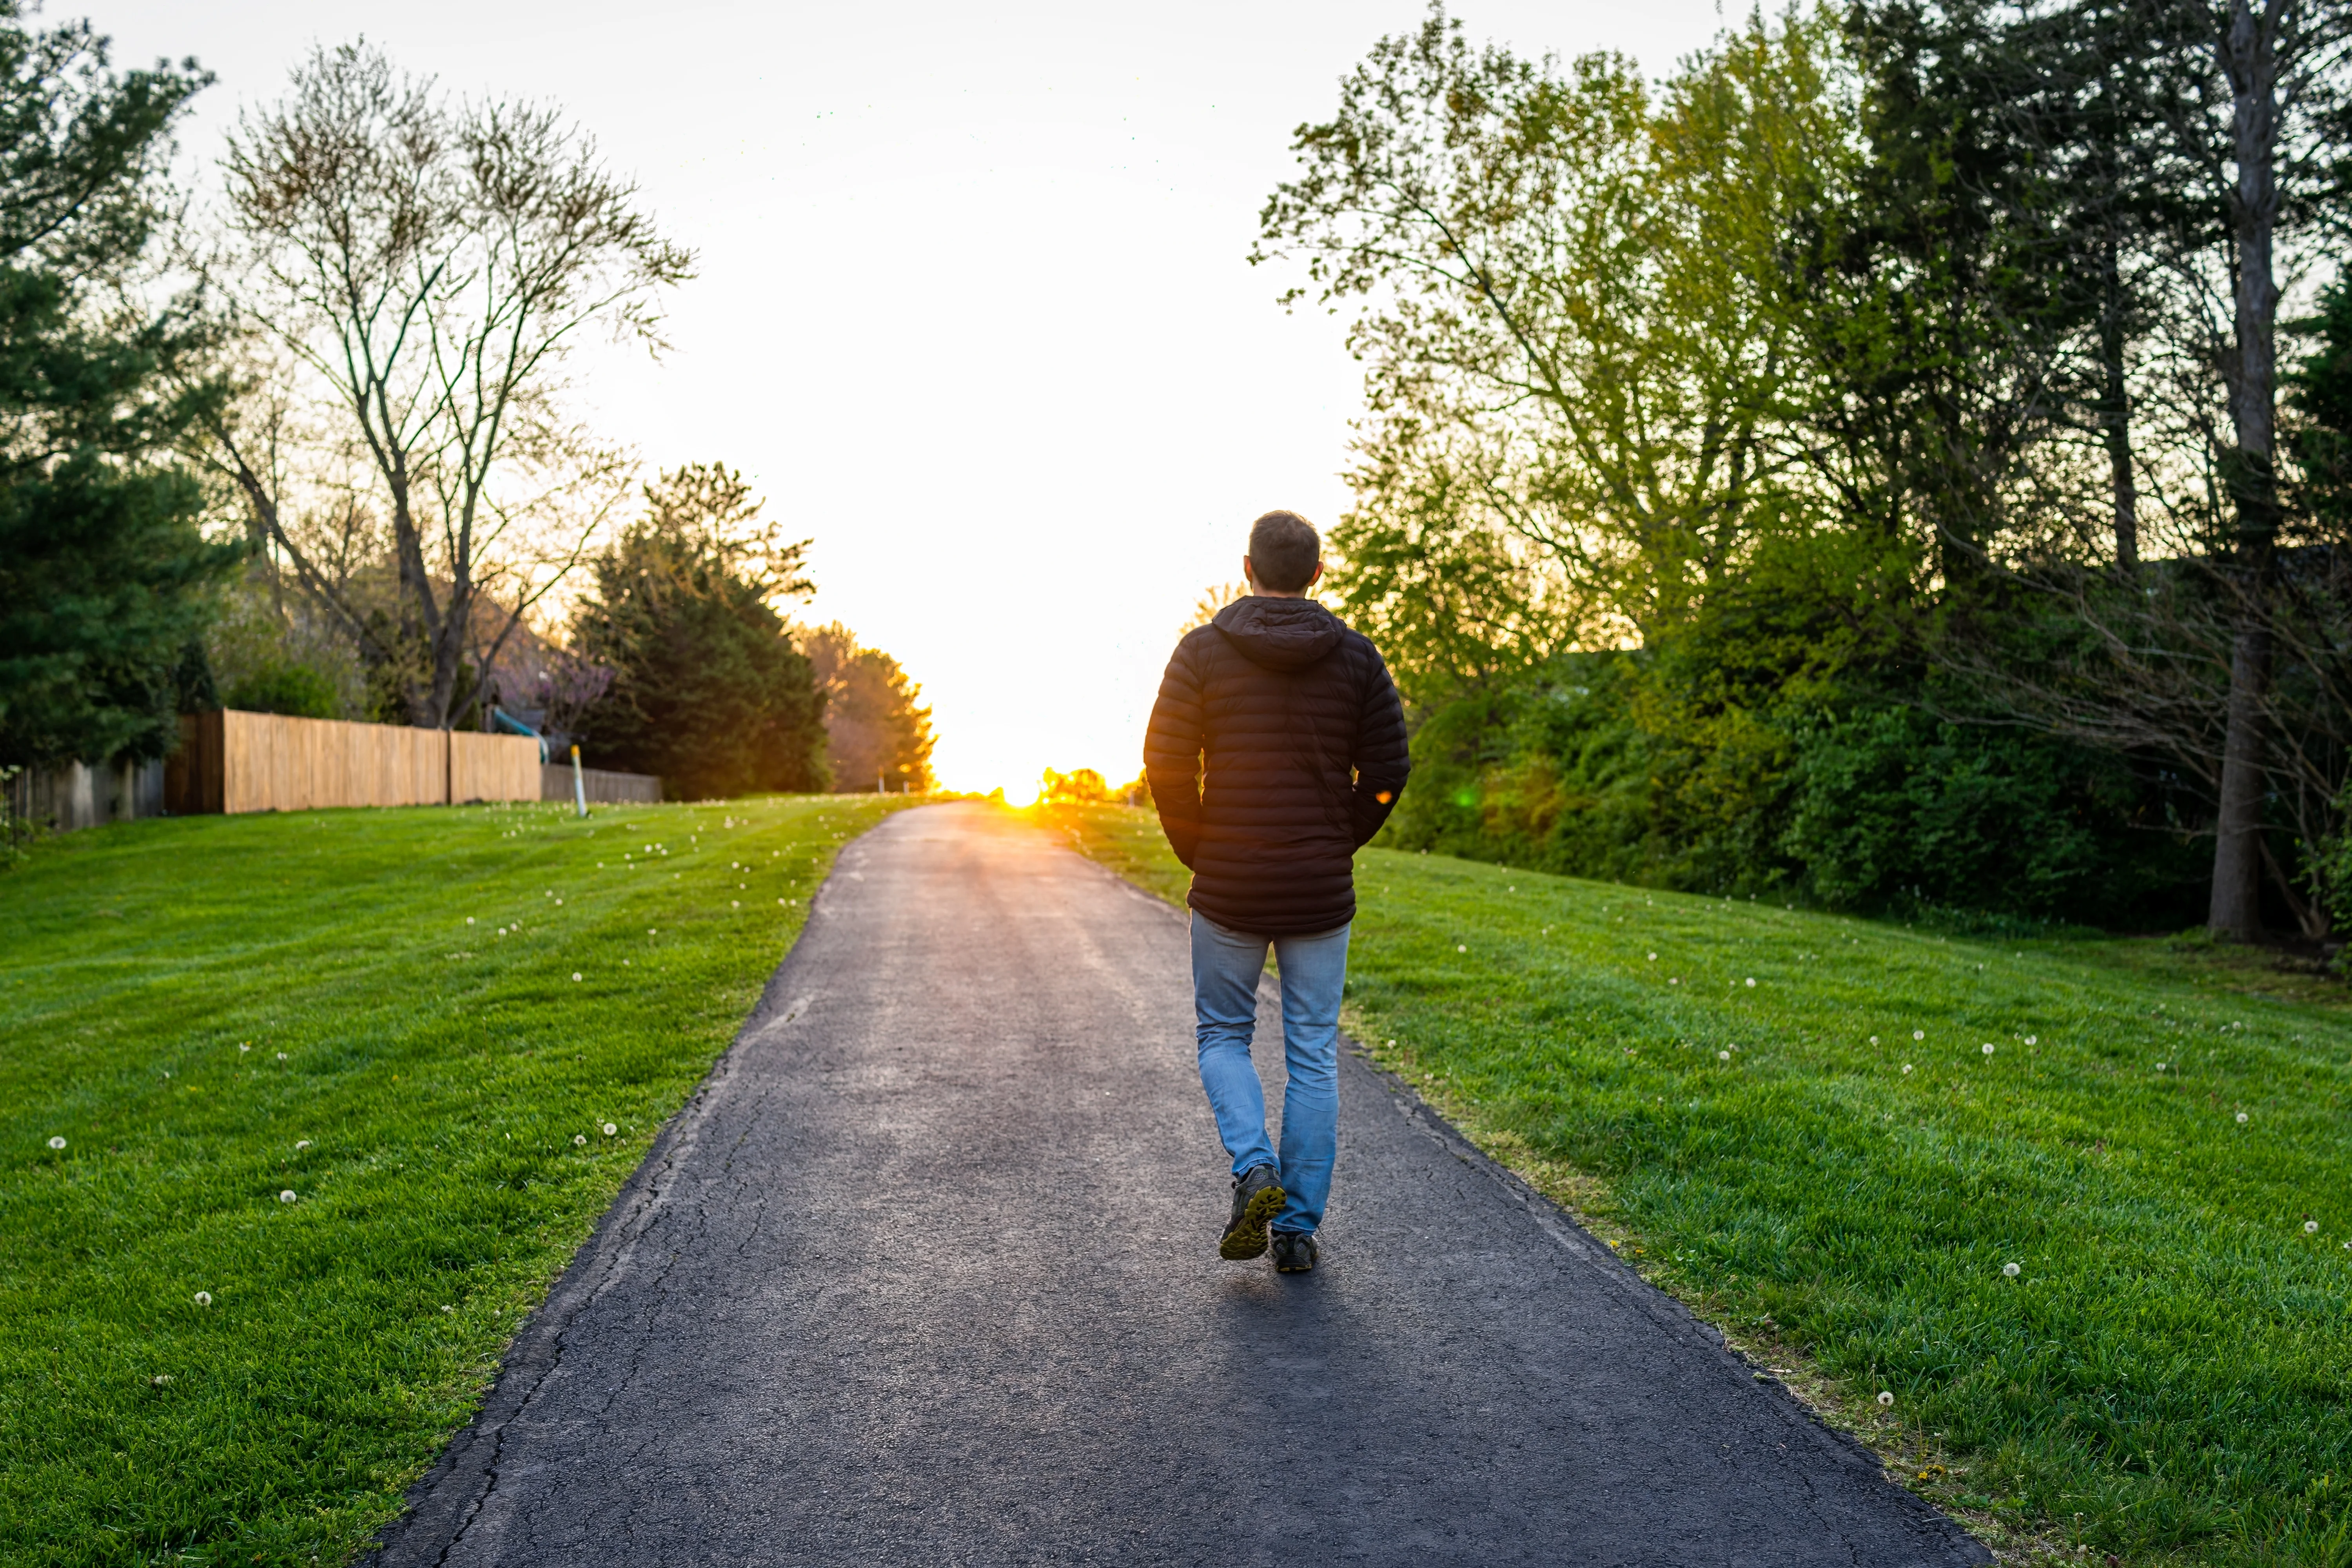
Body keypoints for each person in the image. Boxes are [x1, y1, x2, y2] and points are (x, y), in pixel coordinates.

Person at [1143, 510, 1410, 1274]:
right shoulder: (1357, 657)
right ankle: (1294, 1231)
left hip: (1229, 882)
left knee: (1224, 1034)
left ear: (1248, 568)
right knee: (1313, 1052)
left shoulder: (1201, 651)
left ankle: (1254, 1165)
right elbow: (1388, 771)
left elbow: (1166, 762)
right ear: (1317, 574)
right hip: (1318, 890)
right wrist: (1338, 839)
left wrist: (1199, 847)